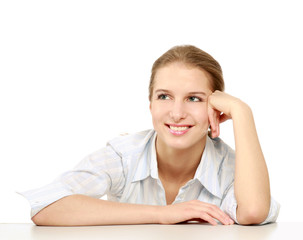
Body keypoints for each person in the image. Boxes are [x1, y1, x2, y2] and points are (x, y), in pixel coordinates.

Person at [20, 45, 280, 226]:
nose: (177, 113)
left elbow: (254, 211)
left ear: (215, 110)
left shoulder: (232, 168)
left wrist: (242, 112)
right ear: (151, 105)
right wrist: (162, 214)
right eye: (164, 96)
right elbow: (46, 206)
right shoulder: (124, 154)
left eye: (194, 98)